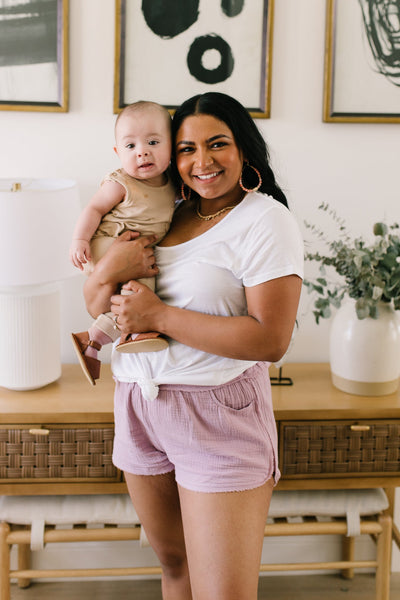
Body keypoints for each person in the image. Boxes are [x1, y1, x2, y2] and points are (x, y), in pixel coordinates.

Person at [83, 92, 304, 599]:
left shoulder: (265, 221)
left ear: (245, 150)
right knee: (176, 565)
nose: (201, 162)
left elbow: (271, 340)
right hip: (140, 403)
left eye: (217, 144)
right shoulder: (164, 211)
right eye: (186, 148)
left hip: (217, 412)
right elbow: (96, 299)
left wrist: (158, 316)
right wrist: (110, 269)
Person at [69, 101, 176, 386]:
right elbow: (93, 209)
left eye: (153, 142)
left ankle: (93, 340)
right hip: (109, 243)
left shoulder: (173, 186)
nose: (141, 151)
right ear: (118, 153)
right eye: (130, 146)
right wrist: (80, 239)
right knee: (141, 289)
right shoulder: (121, 182)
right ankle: (134, 332)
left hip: (137, 251)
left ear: (172, 146)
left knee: (141, 291)